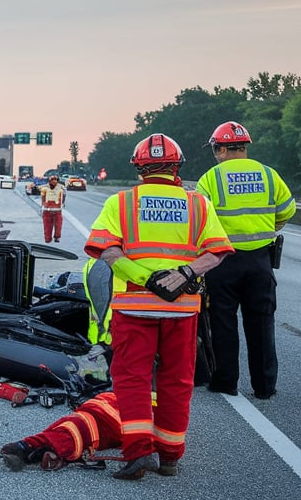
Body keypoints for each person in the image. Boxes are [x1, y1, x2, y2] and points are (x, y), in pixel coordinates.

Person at [84, 134, 232, 479]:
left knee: (132, 378)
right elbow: (218, 251)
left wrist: (144, 277)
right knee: (178, 379)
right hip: (181, 309)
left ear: (139, 168)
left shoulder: (120, 202)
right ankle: (169, 457)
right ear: (176, 167)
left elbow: (106, 250)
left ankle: (138, 454)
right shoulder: (197, 204)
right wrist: (184, 273)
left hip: (134, 306)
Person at [195, 121, 295, 400]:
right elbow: (287, 210)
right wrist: (265, 228)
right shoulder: (268, 174)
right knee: (262, 322)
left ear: (220, 148)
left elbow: (200, 220)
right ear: (244, 147)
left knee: (223, 322)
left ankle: (226, 381)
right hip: (261, 261)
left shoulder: (210, 179)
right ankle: (264, 387)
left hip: (223, 262)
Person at [0, 391, 123, 472]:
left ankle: (27, 446)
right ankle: (39, 450)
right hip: (111, 413)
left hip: (104, 406)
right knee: (76, 432)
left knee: (72, 427)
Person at [39, 175, 66, 243]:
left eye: (56, 180)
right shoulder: (44, 188)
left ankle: (57, 237)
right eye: (52, 180)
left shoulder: (61, 188)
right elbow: (42, 198)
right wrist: (42, 206)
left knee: (58, 225)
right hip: (47, 210)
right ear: (49, 181)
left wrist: (63, 203)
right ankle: (47, 238)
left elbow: (64, 195)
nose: (54, 181)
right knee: (47, 226)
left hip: (57, 210)